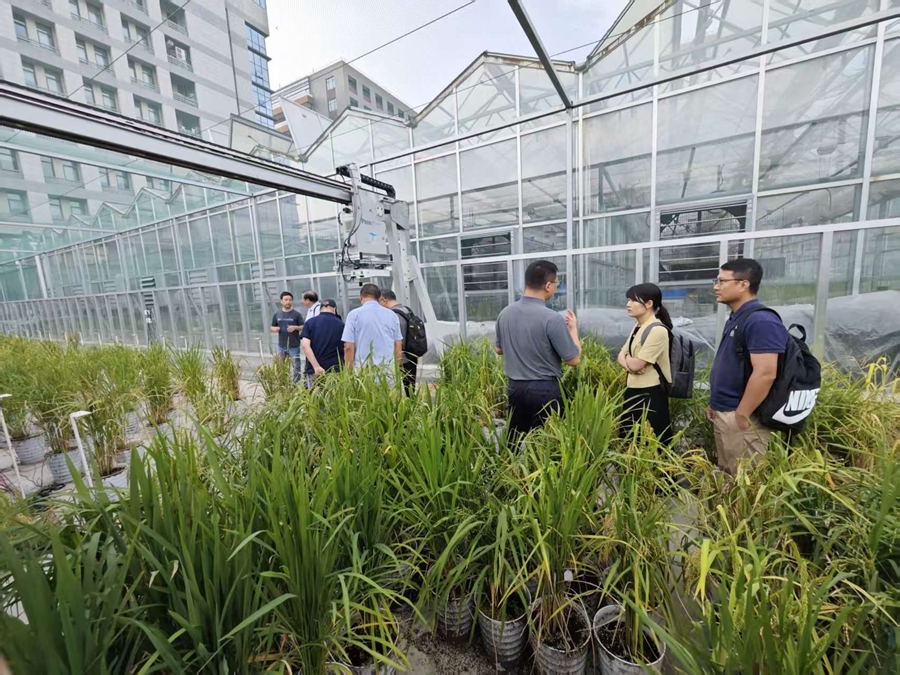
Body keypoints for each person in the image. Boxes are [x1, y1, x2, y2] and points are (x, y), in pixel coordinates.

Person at [707, 258, 789, 475]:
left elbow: (765, 373)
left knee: (744, 480)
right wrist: (715, 403)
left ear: (743, 284)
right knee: (726, 474)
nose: (716, 287)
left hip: (742, 416)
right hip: (725, 411)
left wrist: (742, 415)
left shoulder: (761, 320)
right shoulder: (737, 318)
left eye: (722, 281)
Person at [495, 260, 581, 441]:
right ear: (548, 286)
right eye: (557, 284)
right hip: (544, 390)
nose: (556, 288)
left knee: (513, 441)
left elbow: (499, 349)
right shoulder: (552, 318)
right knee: (547, 444)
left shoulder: (505, 313)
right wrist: (573, 329)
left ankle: (508, 460)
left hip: (515, 388)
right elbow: (573, 360)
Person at [617, 283, 673, 446]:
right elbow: (621, 355)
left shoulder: (658, 330)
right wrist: (630, 363)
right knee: (629, 440)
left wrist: (629, 362)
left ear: (649, 304)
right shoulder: (638, 326)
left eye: (633, 300)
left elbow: (636, 364)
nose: (628, 304)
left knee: (655, 441)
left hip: (651, 392)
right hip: (633, 389)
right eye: (628, 300)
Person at [341, 284, 403, 378]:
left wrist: (349, 373)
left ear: (361, 297)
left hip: (363, 373)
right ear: (379, 298)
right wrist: (396, 370)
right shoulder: (392, 315)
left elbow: (348, 346)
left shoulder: (354, 315)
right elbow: (398, 344)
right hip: (388, 372)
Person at [379, 289, 418, 395]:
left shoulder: (393, 315)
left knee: (402, 391)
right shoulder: (407, 310)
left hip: (401, 358)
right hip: (411, 355)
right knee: (410, 389)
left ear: (383, 300)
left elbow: (398, 340)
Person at [300, 299, 345, 388]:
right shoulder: (341, 325)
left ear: (320, 309)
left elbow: (305, 345)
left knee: (313, 395)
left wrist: (316, 367)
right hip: (335, 371)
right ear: (334, 309)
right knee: (334, 395)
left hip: (313, 370)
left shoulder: (309, 323)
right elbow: (346, 346)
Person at [270, 291, 303, 383]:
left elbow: (303, 326)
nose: (288, 302)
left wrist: (295, 327)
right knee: (282, 367)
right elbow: (272, 327)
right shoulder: (277, 314)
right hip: (281, 346)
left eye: (290, 300)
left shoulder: (297, 314)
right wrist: (275, 329)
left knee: (296, 366)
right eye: (286, 300)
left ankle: (295, 384)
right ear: (281, 301)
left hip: (294, 345)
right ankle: (283, 384)